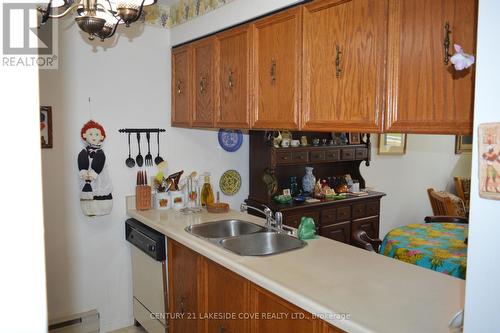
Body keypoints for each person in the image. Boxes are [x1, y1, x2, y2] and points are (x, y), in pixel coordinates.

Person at [78, 120, 113, 216]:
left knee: (101, 188)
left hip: (99, 176)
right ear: (85, 135)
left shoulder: (100, 153)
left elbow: (100, 161)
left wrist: (94, 173)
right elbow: (81, 160)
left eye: (96, 135)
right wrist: (83, 171)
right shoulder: (83, 152)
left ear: (101, 137)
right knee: (89, 192)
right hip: (87, 177)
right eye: (91, 134)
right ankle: (89, 209)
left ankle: (103, 208)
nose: (94, 137)